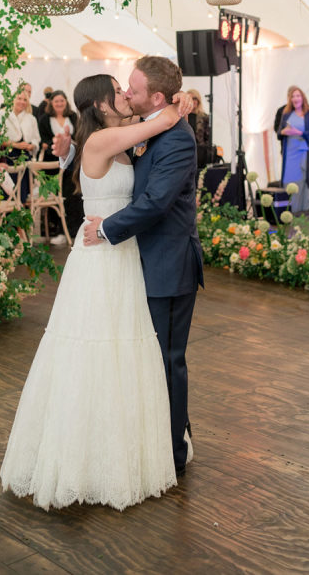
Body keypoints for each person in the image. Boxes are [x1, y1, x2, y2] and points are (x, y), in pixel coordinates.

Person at [0, 74, 183, 511]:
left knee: (124, 351)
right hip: (100, 257)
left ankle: (120, 448)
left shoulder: (110, 140)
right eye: (117, 90)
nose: (124, 95)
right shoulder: (103, 141)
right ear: (101, 105)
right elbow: (160, 122)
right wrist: (180, 103)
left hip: (119, 253)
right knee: (95, 350)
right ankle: (84, 459)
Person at [78, 57, 204, 477]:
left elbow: (154, 203)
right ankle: (146, 440)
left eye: (132, 89)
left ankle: (171, 454)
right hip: (136, 262)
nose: (127, 94)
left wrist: (107, 228)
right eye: (122, 89)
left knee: (168, 361)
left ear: (155, 96)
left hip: (168, 263)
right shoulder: (144, 127)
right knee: (141, 359)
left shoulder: (177, 138)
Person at [39, 90, 81, 244]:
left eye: (61, 101)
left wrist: (70, 145)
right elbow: (44, 141)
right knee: (55, 197)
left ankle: (74, 230)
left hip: (72, 163)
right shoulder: (44, 119)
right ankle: (58, 231)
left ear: (66, 102)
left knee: (72, 196)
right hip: (53, 164)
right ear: (51, 103)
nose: (59, 104)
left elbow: (79, 136)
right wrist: (57, 146)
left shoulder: (73, 117)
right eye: (56, 101)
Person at [277, 86, 309, 213]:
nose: (295, 98)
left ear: (303, 97)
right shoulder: (286, 114)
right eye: (293, 96)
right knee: (288, 182)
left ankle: (301, 212)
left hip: (303, 153)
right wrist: (284, 131)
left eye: (298, 96)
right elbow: (279, 133)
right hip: (289, 154)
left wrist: (298, 132)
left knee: (302, 183)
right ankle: (288, 212)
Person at [0, 90, 40, 203]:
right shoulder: (2, 114)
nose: (22, 102)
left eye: (25, 99)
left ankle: (21, 216)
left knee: (22, 193)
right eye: (19, 98)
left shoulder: (31, 118)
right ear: (13, 99)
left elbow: (36, 138)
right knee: (7, 192)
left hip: (24, 157)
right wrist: (16, 144)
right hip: (7, 156)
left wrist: (32, 146)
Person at [186, 89, 211, 167]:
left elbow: (208, 137)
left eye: (195, 98)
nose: (193, 101)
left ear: (198, 100)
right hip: (185, 151)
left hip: (200, 153)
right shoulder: (181, 116)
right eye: (191, 98)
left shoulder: (204, 117)